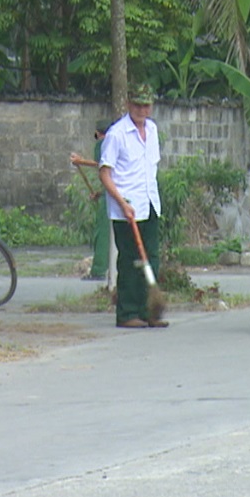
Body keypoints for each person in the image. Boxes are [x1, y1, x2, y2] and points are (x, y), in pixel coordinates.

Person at [98, 84, 167, 329]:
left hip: (149, 204)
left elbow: (151, 169)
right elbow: (105, 174)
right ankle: (127, 312)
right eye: (137, 104)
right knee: (130, 261)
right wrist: (121, 203)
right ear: (129, 105)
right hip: (126, 208)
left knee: (151, 259)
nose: (141, 109)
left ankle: (149, 309)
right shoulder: (117, 134)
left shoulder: (153, 130)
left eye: (145, 105)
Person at [68, 118, 114, 282]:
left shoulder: (102, 144)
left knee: (102, 233)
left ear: (97, 133)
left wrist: (80, 161)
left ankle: (99, 270)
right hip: (112, 192)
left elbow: (100, 165)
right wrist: (100, 193)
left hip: (110, 196)